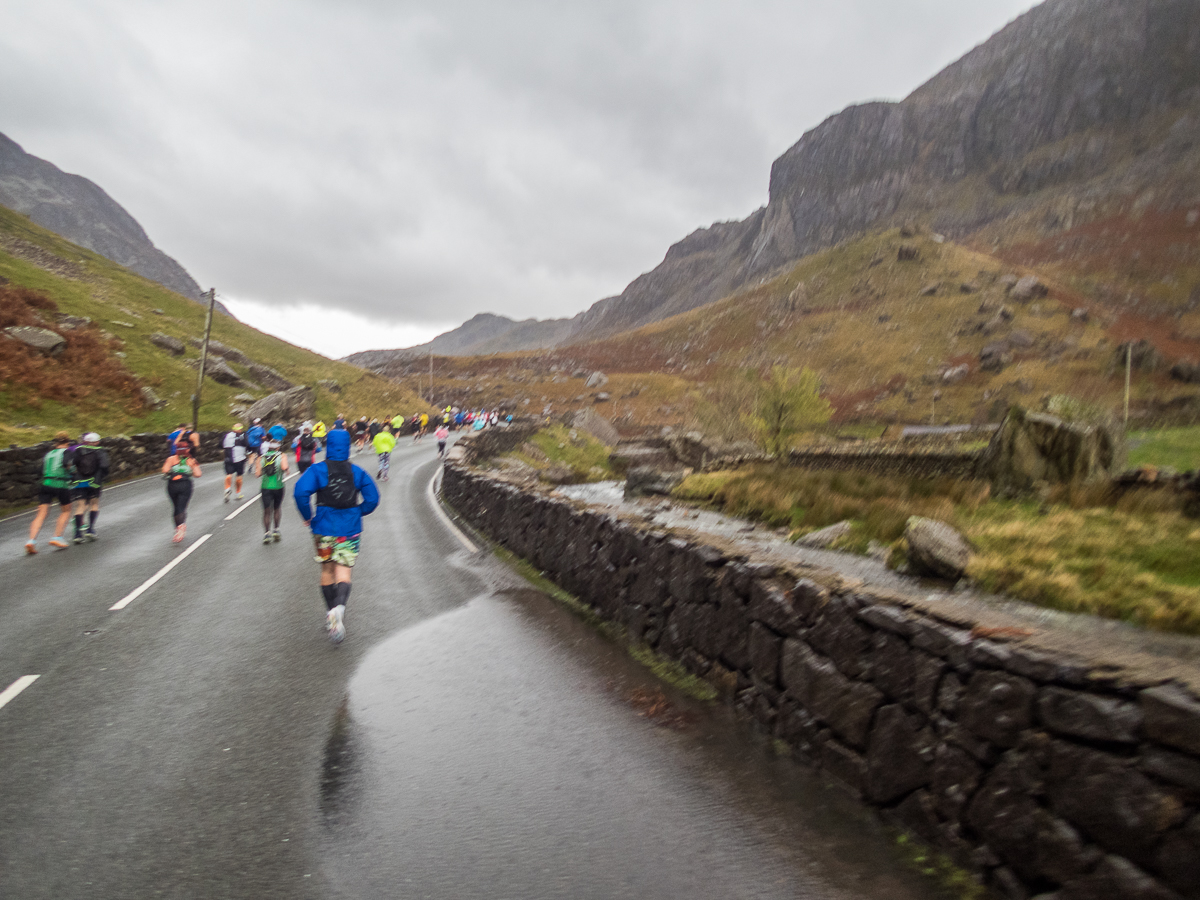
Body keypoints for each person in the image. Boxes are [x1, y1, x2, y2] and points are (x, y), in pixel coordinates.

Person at [293, 429, 379, 644]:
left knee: (327, 570)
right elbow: (373, 498)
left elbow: (300, 492)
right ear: (348, 446)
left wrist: (308, 516)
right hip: (349, 530)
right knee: (344, 573)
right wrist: (360, 511)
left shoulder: (317, 470)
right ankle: (339, 609)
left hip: (322, 529)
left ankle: (331, 612)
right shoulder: (357, 472)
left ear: (328, 445)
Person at [25, 431, 75, 554]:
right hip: (60, 484)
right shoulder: (67, 452)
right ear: (67, 443)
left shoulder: (48, 454)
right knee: (66, 510)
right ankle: (57, 537)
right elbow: (66, 464)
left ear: (56, 443)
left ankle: (31, 541)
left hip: (45, 484)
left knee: (41, 514)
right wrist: (71, 471)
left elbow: (40, 470)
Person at [66, 432, 110, 542]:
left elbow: (71, 464)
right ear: (97, 442)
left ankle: (77, 534)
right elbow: (105, 465)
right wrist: (102, 475)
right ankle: (90, 530)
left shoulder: (78, 450)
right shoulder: (100, 451)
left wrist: (74, 475)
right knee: (94, 504)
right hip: (94, 482)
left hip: (79, 482)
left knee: (80, 506)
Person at [162, 440, 202, 543]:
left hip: (172, 484)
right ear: (187, 449)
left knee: (175, 506)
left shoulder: (171, 459)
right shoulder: (191, 460)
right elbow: (198, 474)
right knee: (182, 506)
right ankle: (181, 526)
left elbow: (165, 470)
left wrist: (174, 471)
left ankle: (178, 528)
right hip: (185, 484)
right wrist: (188, 472)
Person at [256, 439, 289, 544]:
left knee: (266, 510)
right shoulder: (282, 456)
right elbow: (284, 467)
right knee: (277, 508)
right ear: (278, 447)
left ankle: (266, 533)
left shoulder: (261, 457)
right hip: (278, 486)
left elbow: (258, 474)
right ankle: (276, 530)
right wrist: (286, 469)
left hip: (265, 487)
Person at [222, 422, 248, 501]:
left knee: (228, 474)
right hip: (240, 459)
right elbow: (247, 444)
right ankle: (238, 493)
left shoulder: (226, 435)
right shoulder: (243, 435)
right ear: (240, 429)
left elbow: (221, 445)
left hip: (228, 458)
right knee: (239, 476)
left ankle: (227, 489)